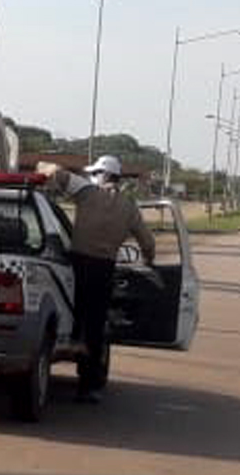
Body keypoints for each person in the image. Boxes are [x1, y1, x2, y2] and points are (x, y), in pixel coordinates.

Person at [38, 155, 155, 402]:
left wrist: (42, 168)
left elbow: (55, 173)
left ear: (100, 175)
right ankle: (87, 386)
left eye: (94, 174)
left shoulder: (86, 191)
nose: (91, 177)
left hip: (77, 265)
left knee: (71, 312)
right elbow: (147, 242)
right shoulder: (129, 207)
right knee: (95, 325)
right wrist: (148, 261)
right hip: (104, 269)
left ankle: (64, 344)